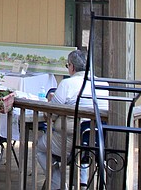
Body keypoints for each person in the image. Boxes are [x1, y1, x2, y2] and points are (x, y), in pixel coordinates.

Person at [36, 49, 108, 190]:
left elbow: (51, 112)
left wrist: (51, 100)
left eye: (67, 65)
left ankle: (57, 183)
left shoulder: (67, 84)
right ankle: (82, 183)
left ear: (72, 67)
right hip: (96, 142)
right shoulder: (103, 85)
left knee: (40, 148)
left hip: (68, 141)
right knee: (82, 149)